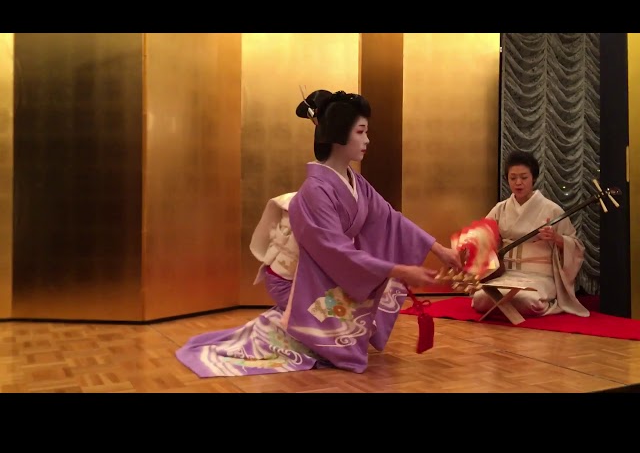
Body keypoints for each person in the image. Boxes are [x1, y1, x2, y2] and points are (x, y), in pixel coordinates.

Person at [175, 89, 462, 377]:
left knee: (344, 327)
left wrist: (440, 251)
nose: (367, 140)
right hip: (294, 279)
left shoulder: (354, 181)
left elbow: (390, 219)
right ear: (339, 134)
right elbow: (335, 249)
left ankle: (298, 327)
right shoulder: (315, 190)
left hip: (324, 271)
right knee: (325, 341)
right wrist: (397, 269)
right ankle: (285, 325)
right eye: (361, 132)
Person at [470, 150, 589, 318]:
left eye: (524, 177)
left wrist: (556, 238)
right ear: (507, 179)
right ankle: (508, 305)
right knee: (480, 298)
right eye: (513, 178)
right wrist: (488, 241)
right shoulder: (500, 209)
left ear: (533, 177)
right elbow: (482, 236)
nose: (518, 182)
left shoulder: (551, 209)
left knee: (528, 300)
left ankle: (543, 299)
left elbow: (576, 247)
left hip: (539, 275)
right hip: (507, 274)